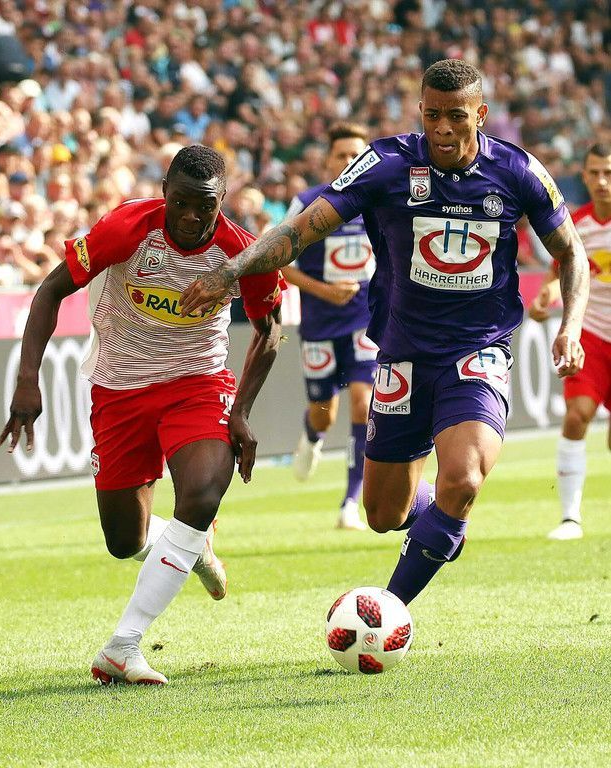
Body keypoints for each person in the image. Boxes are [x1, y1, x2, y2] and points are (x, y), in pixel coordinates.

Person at [180, 59, 589, 609]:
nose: (442, 128)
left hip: (477, 350)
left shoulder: (517, 171)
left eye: (457, 116)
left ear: (481, 115)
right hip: (401, 355)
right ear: (420, 110)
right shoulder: (387, 164)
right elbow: (298, 232)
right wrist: (230, 271)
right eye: (432, 115)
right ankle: (440, 522)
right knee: (383, 514)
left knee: (464, 478)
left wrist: (570, 324)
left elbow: (571, 252)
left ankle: (388, 609)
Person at [0, 145, 285, 685]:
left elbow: (269, 330)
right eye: (181, 203)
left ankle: (123, 645)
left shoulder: (240, 252)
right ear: (164, 193)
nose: (191, 217)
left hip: (197, 383)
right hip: (119, 389)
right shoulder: (126, 229)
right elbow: (51, 290)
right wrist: (27, 379)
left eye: (205, 206)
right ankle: (193, 548)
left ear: (222, 200)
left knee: (202, 493)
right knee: (123, 541)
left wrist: (242, 412)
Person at [281, 122, 377, 531]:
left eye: (357, 155)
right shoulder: (307, 203)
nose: (350, 161)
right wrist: (324, 291)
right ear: (328, 161)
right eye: (342, 155)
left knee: (363, 404)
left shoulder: (378, 199)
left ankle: (350, 502)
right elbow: (280, 260)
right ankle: (312, 435)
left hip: (365, 320)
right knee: (323, 413)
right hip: (320, 324)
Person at [529, 142, 611, 541]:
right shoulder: (575, 224)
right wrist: (545, 298)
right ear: (584, 176)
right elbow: (558, 275)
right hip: (590, 334)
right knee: (577, 415)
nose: (602, 181)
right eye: (594, 173)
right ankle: (570, 518)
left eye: (608, 173)